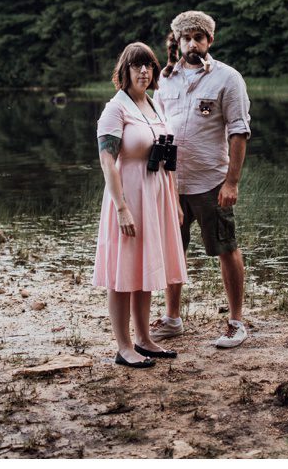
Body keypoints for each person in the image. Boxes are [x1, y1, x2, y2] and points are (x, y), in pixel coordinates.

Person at [150, 10, 252, 349]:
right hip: (171, 182)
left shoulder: (228, 78)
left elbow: (239, 132)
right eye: (186, 38)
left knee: (226, 247)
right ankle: (172, 318)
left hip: (210, 181)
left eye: (199, 37)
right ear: (177, 42)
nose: (193, 44)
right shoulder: (164, 78)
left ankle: (236, 322)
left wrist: (231, 183)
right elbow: (156, 127)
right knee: (172, 249)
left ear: (210, 40)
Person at [92, 42, 188, 368]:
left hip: (155, 195)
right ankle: (123, 346)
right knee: (123, 270)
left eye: (148, 65)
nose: (144, 71)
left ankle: (144, 338)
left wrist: (173, 202)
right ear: (125, 71)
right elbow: (107, 162)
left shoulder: (154, 104)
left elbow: (166, 156)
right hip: (128, 196)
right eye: (137, 66)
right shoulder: (115, 109)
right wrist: (121, 208)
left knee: (143, 267)